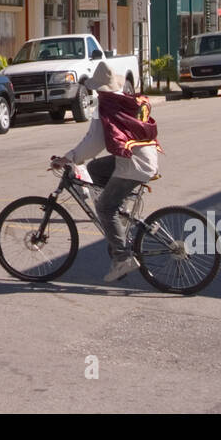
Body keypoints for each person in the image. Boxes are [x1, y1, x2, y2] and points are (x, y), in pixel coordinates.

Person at [51, 60, 162, 282]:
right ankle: (121, 215)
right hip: (142, 157)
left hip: (134, 164)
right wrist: (74, 157)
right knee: (94, 168)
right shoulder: (122, 101)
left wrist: (68, 159)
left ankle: (122, 258)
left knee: (104, 207)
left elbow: (94, 142)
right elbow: (92, 140)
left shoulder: (107, 107)